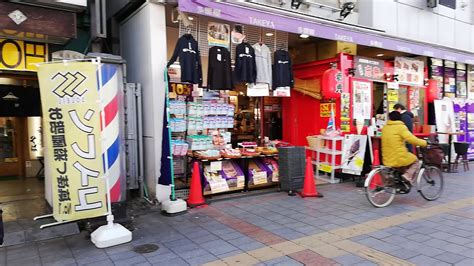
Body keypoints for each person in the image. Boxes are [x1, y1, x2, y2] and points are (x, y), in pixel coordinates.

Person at [381, 111, 427, 185]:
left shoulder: (385, 127)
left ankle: (399, 182)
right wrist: (424, 143)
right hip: (398, 157)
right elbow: (412, 139)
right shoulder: (401, 127)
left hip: (386, 157)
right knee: (416, 161)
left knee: (401, 164)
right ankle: (407, 176)